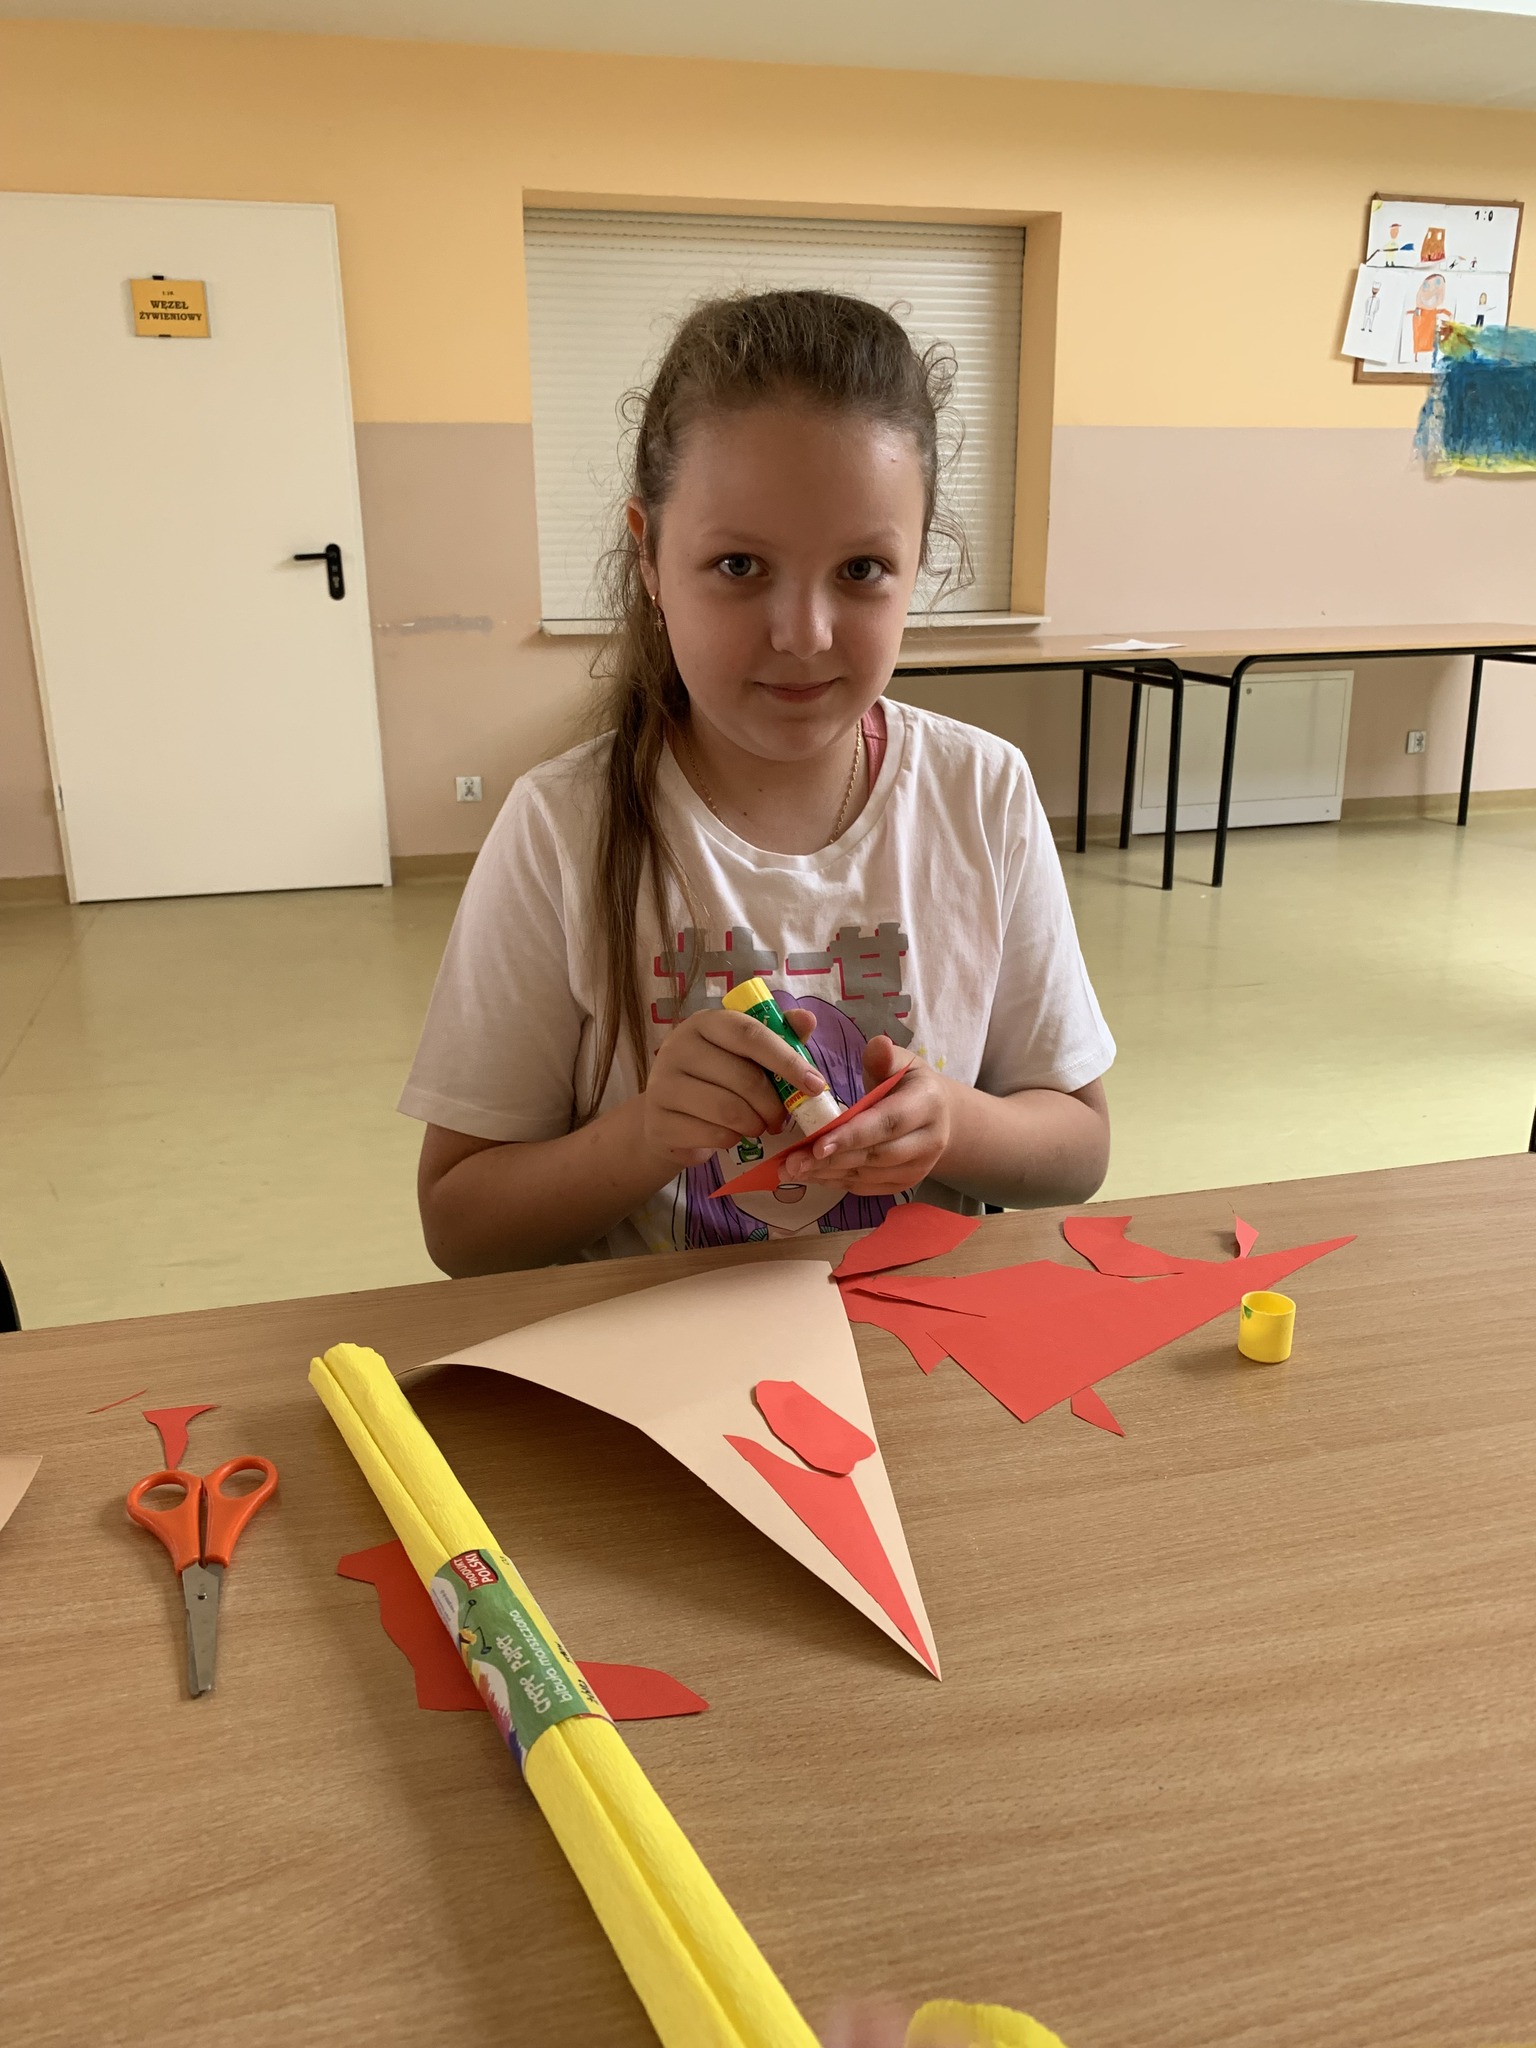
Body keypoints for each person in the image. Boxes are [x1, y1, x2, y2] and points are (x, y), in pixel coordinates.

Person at [402, 289, 1114, 1272]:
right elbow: (461, 1227)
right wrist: (647, 1135)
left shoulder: (980, 791)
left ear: (918, 564)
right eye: (740, 564)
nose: (804, 634)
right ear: (649, 557)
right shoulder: (563, 825)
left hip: (912, 1343)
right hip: (659, 1347)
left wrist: (951, 1120)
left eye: (862, 569)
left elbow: (1079, 1147)